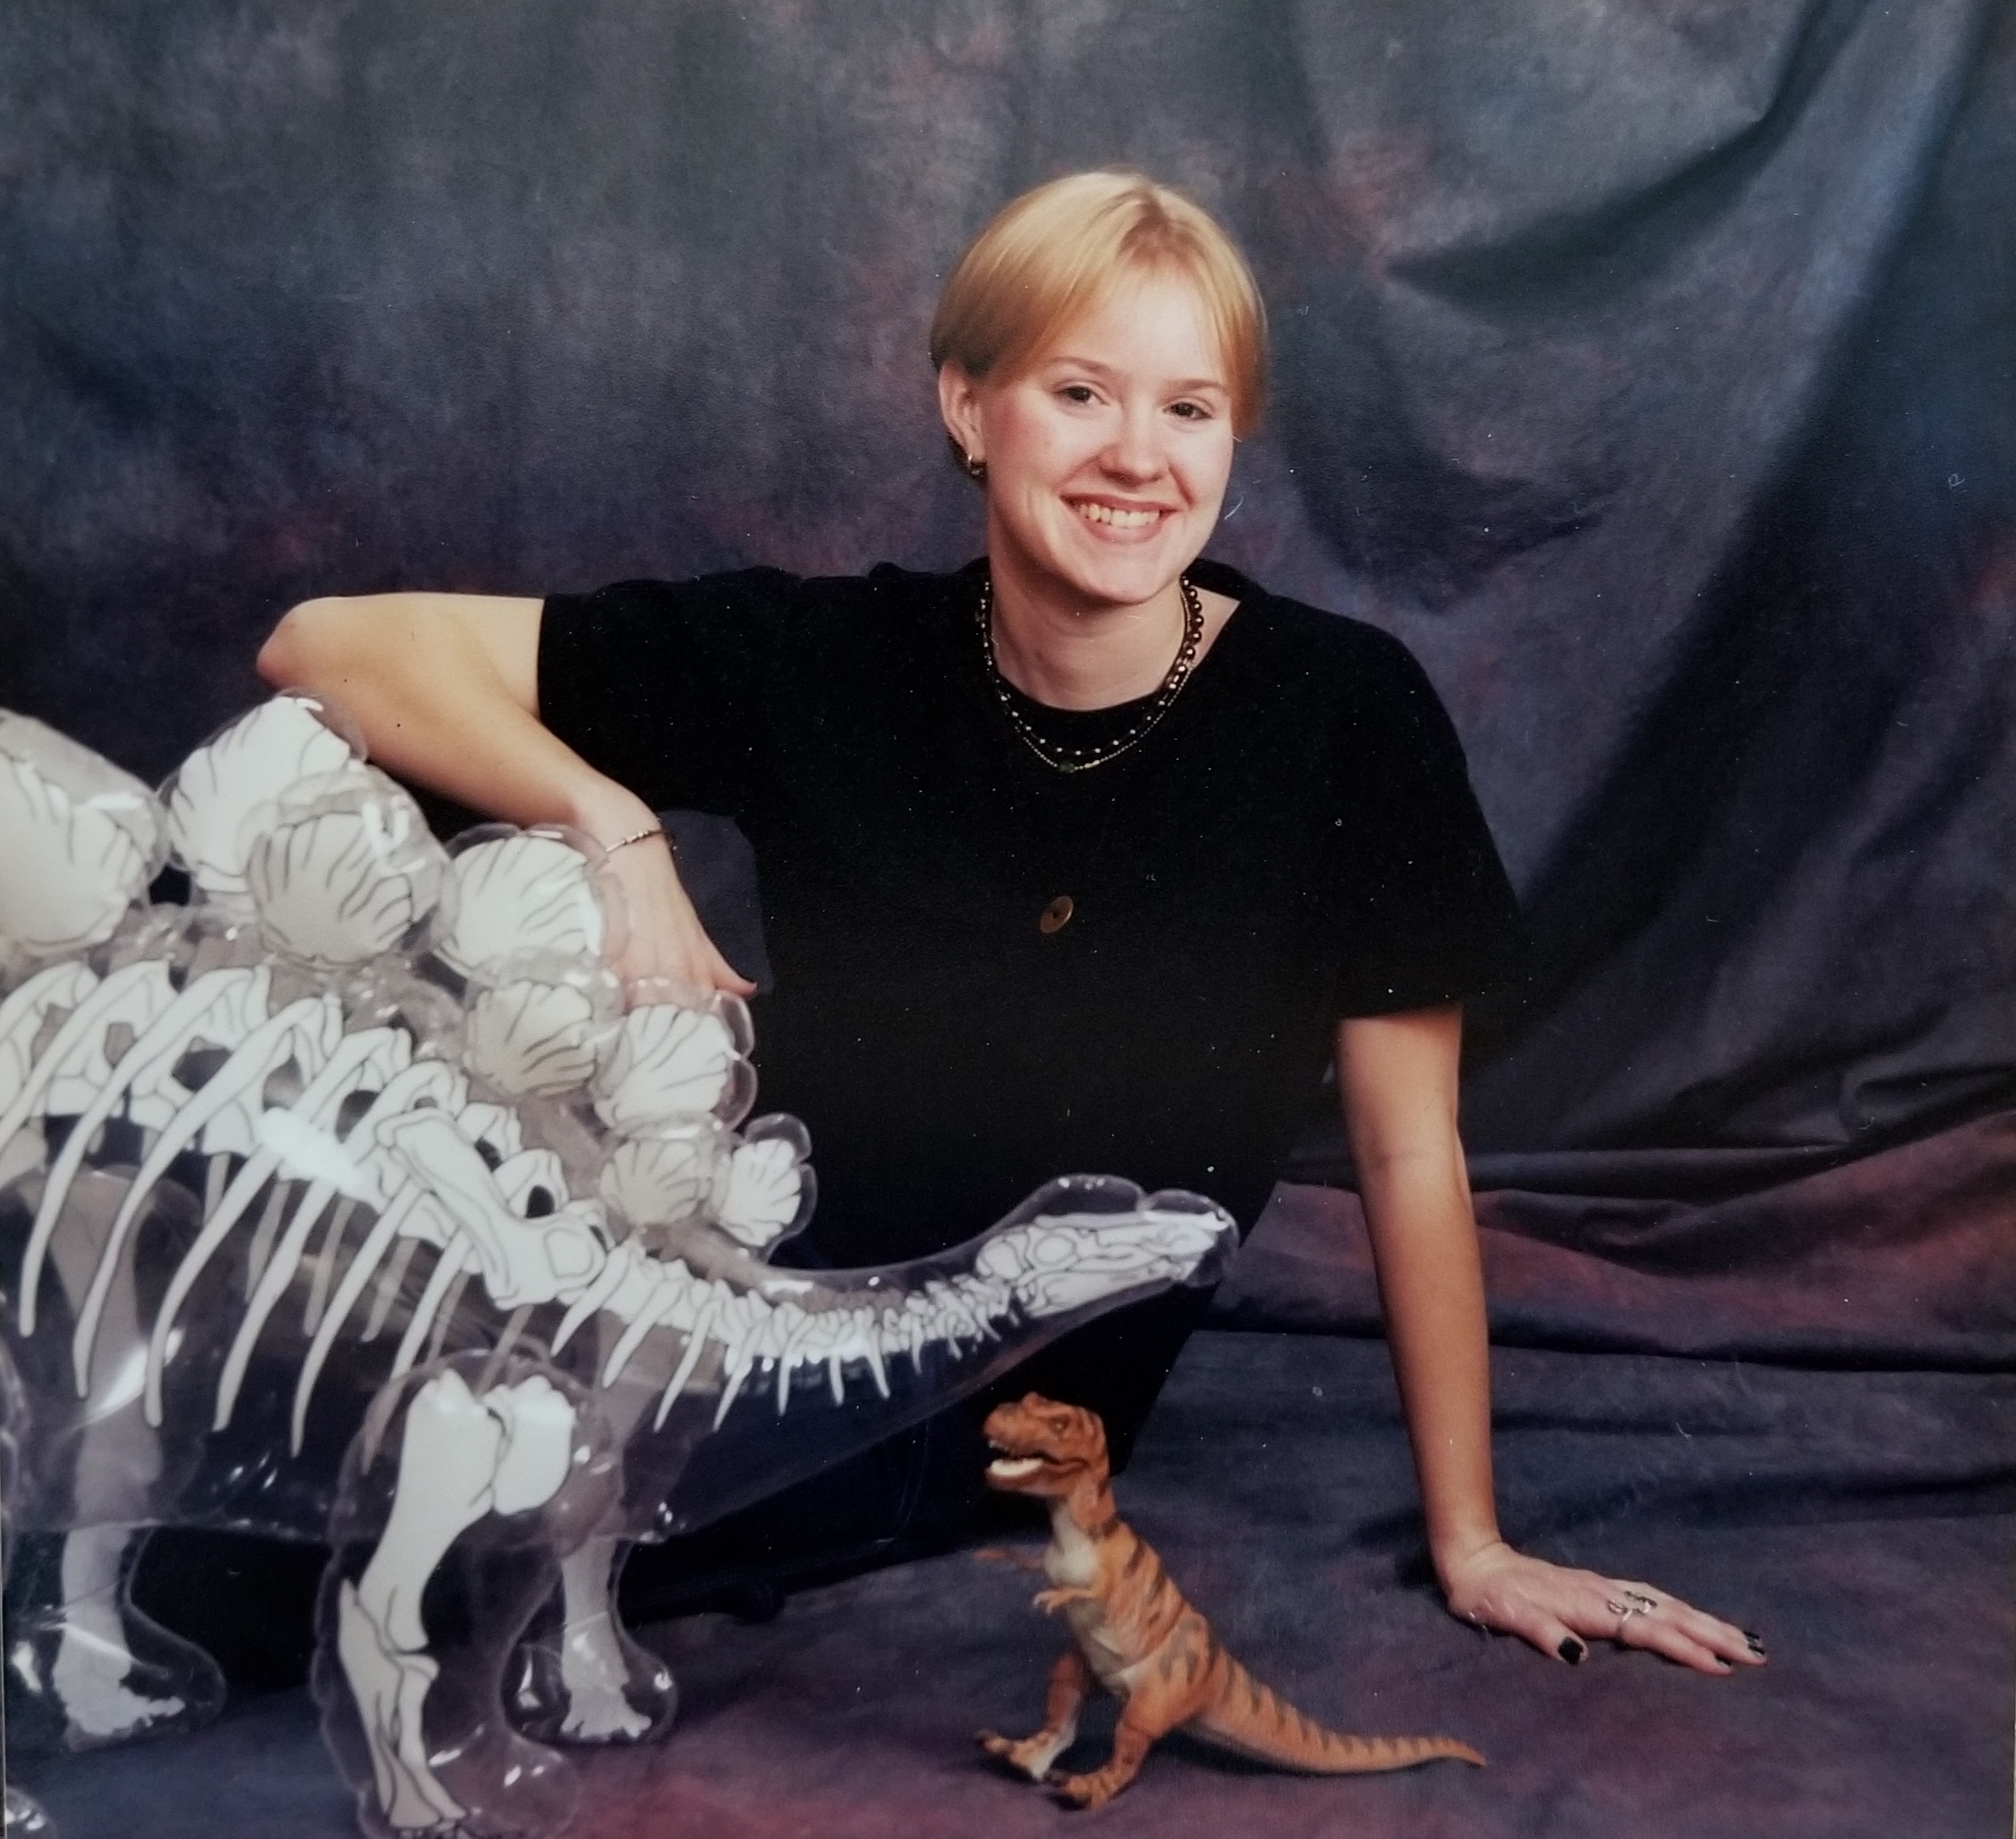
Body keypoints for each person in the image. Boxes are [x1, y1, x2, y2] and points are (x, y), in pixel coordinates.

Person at [259, 169, 1763, 1675]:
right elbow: (325, 646)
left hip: (942, 1415)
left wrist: (1474, 1541)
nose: (1137, 456)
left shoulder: (1343, 715)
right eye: (1080, 391)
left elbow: (1405, 1150)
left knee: (360, 1547)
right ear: (969, 407)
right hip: (712, 1273)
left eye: (1189, 408)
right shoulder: (832, 659)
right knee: (300, 1404)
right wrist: (611, 820)